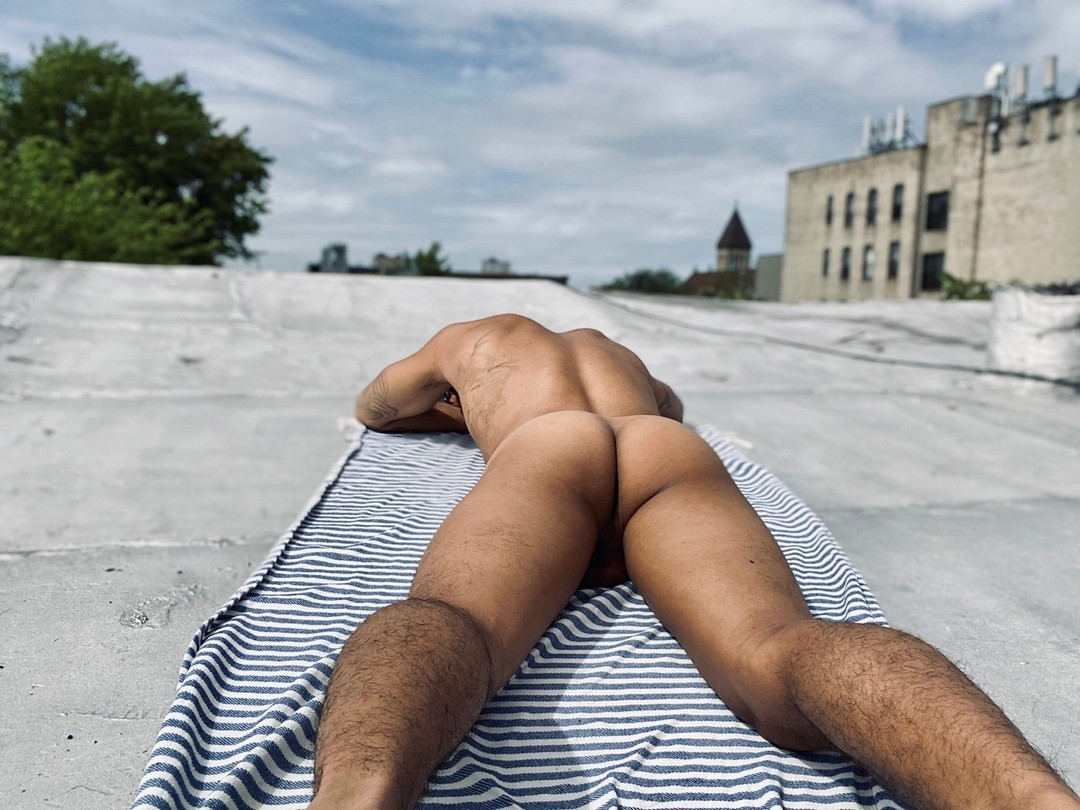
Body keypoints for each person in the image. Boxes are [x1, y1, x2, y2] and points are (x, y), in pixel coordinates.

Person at [310, 313, 1078, 810]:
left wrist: (464, 408)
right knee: (779, 644)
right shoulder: (618, 354)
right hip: (658, 447)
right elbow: (670, 411)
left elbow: (376, 408)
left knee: (460, 621)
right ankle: (1029, 798)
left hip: (549, 446)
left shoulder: (470, 338)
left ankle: (355, 793)